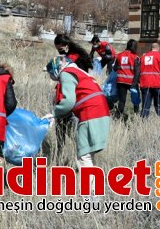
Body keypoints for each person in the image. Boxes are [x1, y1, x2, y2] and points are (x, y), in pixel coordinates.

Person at [48, 37, 110, 172]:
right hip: (100, 109)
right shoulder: (77, 67)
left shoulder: (67, 69)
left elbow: (69, 100)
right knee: (86, 152)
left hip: (87, 111)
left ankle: (90, 191)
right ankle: (93, 187)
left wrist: (54, 113)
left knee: (83, 155)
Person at [50, 34, 86, 157]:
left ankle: (82, 159)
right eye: (57, 49)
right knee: (60, 134)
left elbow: (81, 79)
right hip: (61, 98)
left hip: (73, 100)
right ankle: (59, 158)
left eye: (60, 48)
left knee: (74, 134)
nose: (59, 51)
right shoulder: (63, 58)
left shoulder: (78, 59)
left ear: (66, 46)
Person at [113, 39, 141, 120]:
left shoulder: (119, 55)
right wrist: (134, 84)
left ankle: (118, 117)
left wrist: (119, 67)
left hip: (120, 81)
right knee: (135, 101)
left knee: (122, 101)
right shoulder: (135, 57)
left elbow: (114, 68)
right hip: (131, 82)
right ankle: (136, 116)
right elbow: (137, 72)